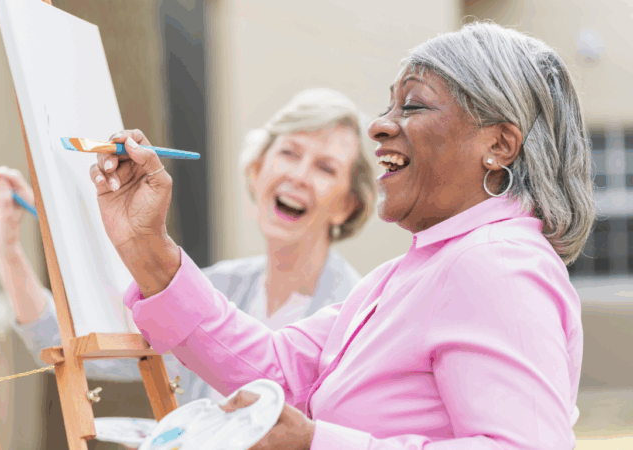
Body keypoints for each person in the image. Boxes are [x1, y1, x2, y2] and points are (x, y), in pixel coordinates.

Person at [89, 22, 594, 449]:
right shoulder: (406, 274)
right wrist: (145, 245)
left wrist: (316, 442)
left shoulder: (495, 265)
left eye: (413, 106)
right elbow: (277, 372)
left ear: (499, 144)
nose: (378, 126)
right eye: (389, 106)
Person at [0, 89, 377, 402]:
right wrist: (7, 251)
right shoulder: (213, 288)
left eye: (325, 167)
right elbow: (75, 345)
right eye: (289, 153)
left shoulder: (357, 315)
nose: (299, 175)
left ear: (347, 205)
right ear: (256, 171)